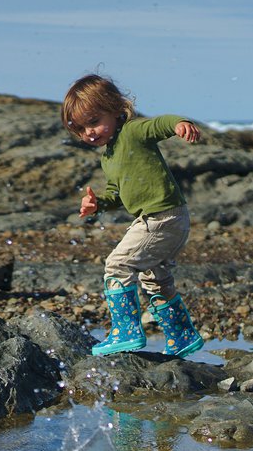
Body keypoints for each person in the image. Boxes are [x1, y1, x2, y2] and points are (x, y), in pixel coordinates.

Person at [61, 73, 205, 358]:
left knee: (117, 265)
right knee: (154, 278)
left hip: (162, 217)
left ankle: (127, 331)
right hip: (163, 218)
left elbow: (160, 124)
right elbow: (117, 194)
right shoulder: (108, 157)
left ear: (115, 109)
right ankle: (182, 335)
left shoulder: (134, 132)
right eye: (80, 129)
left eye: (93, 121)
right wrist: (98, 204)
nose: (89, 133)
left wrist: (179, 124)